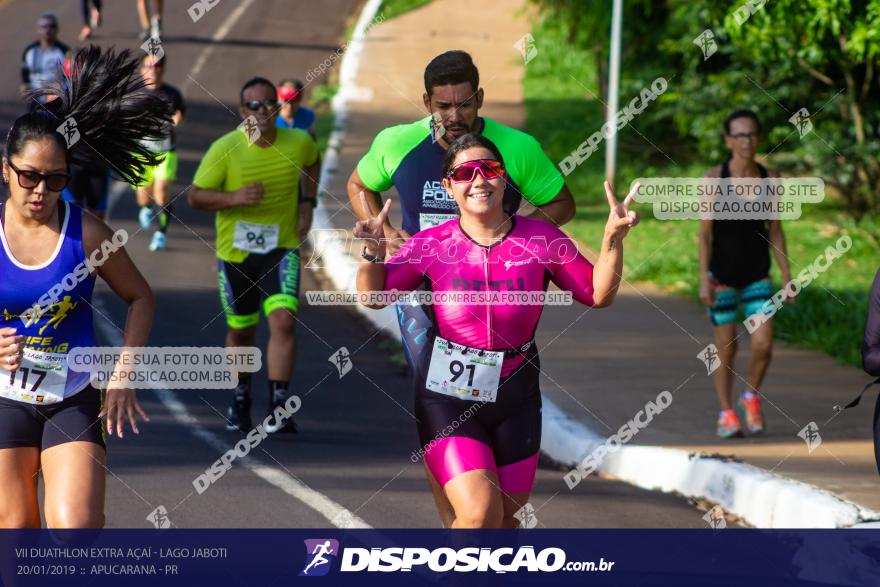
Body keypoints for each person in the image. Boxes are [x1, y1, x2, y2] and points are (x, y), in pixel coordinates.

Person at [355, 133, 638, 528]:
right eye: (465, 172)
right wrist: (371, 253)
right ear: (448, 186)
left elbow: (597, 293)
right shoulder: (430, 244)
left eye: (490, 169)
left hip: (517, 394)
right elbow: (374, 297)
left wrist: (611, 241)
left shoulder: (542, 240)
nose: (479, 180)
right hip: (447, 398)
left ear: (505, 179)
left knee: (507, 522)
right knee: (478, 513)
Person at [0, 46, 168, 528]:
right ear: (6, 169)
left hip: (71, 395)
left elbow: (140, 297)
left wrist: (123, 372)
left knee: (75, 528)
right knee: (16, 534)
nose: (40, 191)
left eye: (55, 181)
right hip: (4, 398)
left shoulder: (88, 233)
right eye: (29, 176)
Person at [348, 49, 575, 375]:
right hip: (420, 282)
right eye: (443, 106)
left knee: (490, 381)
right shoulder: (396, 143)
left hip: (492, 282)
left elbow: (562, 204)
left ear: (480, 98)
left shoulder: (518, 147)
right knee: (430, 381)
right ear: (427, 103)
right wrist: (387, 234)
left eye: (465, 104)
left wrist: (512, 235)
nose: (454, 116)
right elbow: (358, 185)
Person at [189, 77, 320, 433]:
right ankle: (240, 395)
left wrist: (307, 202)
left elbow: (312, 161)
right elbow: (195, 196)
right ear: (242, 111)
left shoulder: (298, 142)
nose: (261, 112)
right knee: (241, 331)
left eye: (268, 104)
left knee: (283, 321)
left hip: (281, 248)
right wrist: (233, 198)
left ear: (277, 107)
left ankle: (279, 402)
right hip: (236, 255)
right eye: (253, 106)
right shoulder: (226, 148)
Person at [698, 109, 793, 438]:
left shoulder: (771, 179)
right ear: (728, 141)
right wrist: (702, 279)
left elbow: (777, 231)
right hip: (721, 277)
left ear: (759, 138)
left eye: (751, 134)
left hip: (757, 276)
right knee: (727, 349)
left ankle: (750, 396)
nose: (746, 141)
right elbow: (705, 234)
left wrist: (787, 274)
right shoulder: (714, 179)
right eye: (739, 135)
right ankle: (726, 411)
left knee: (764, 343)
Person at [133, 53, 186, 252]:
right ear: (142, 69)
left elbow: (180, 116)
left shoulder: (172, 95)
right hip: (141, 153)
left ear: (163, 69)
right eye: (149, 65)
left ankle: (161, 233)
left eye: (157, 66)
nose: (153, 70)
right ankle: (146, 208)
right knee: (143, 198)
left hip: (166, 153)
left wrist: (178, 121)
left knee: (162, 194)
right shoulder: (134, 94)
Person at [20, 13, 69, 103]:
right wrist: (25, 84)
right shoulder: (30, 50)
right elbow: (24, 70)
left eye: (52, 26)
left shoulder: (64, 52)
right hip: (35, 97)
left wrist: (63, 88)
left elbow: (71, 77)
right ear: (38, 29)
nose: (48, 29)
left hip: (56, 99)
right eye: (44, 26)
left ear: (57, 29)